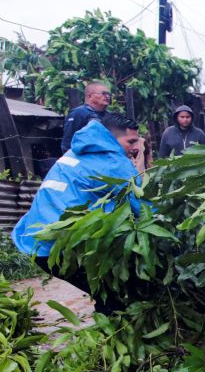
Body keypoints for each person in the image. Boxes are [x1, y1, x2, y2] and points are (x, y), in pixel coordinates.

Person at [12, 113, 142, 314]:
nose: (135, 147)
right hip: (63, 247)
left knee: (106, 291)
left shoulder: (78, 149)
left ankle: (111, 330)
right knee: (118, 292)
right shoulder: (113, 161)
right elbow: (142, 206)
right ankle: (116, 334)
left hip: (34, 241)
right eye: (131, 141)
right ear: (112, 138)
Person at [61, 81, 111, 153]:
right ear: (90, 96)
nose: (107, 97)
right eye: (103, 94)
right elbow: (68, 143)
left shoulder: (109, 116)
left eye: (108, 94)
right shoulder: (78, 114)